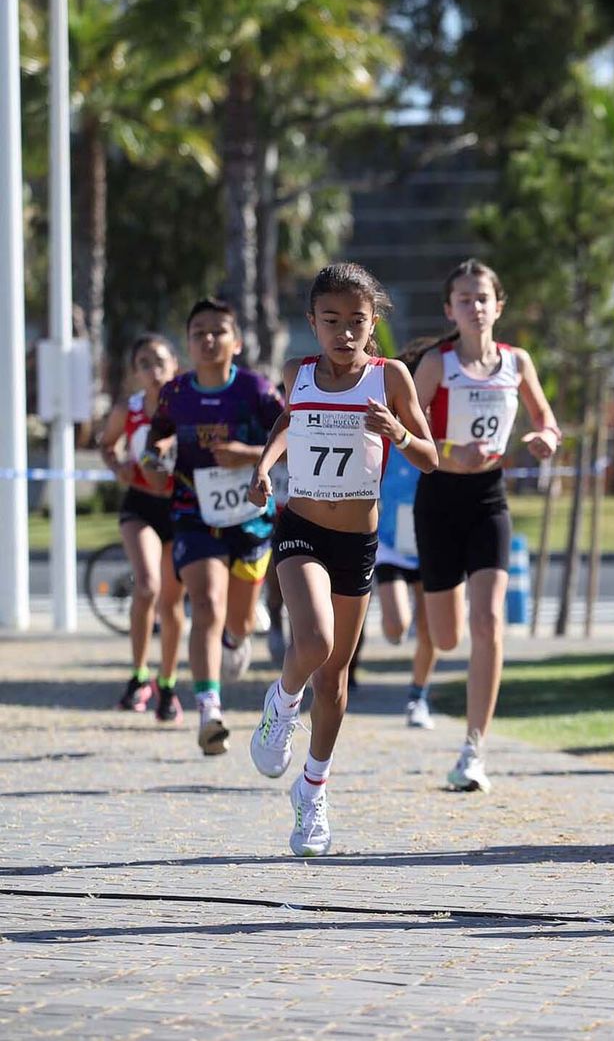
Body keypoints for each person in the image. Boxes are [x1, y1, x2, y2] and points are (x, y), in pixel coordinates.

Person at [245, 263, 438, 856]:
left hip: (357, 542)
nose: (344, 333)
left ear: (373, 322)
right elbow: (288, 422)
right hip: (301, 527)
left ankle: (312, 790)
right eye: (331, 321)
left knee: (334, 680)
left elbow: (430, 456)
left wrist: (397, 432)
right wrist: (264, 465)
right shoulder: (297, 373)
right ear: (312, 322)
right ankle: (281, 705)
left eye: (357, 321)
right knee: (314, 642)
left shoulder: (390, 376)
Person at [412, 259, 561, 791]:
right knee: (447, 635)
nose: (475, 307)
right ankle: (434, 641)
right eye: (464, 299)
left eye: (483, 298)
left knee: (489, 622)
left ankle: (474, 749)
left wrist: (546, 438)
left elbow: (545, 419)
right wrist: (452, 449)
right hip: (438, 500)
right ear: (449, 310)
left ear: (498, 306)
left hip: (488, 500)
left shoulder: (517, 362)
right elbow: (405, 432)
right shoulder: (437, 364)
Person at [141, 299, 283, 755]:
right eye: (198, 331)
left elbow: (289, 437)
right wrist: (156, 454)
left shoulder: (255, 389)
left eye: (218, 331)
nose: (208, 339)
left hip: (250, 517)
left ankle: (237, 638)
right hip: (193, 512)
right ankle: (209, 712)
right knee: (205, 604)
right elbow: (158, 433)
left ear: (235, 342)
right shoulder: (176, 393)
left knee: (238, 620)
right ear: (188, 342)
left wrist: (248, 455)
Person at [98, 334, 186, 718]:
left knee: (171, 600)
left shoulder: (188, 406)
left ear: (175, 366)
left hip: (180, 508)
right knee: (147, 585)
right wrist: (117, 466)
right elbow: (107, 444)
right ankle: (138, 675)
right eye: (145, 364)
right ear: (135, 373)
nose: (154, 371)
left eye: (160, 362)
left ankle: (167, 684)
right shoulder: (128, 410)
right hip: (140, 505)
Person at [373, 392, 438, 729]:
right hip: (391, 545)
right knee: (397, 624)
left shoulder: (439, 444)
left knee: (430, 629)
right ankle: (396, 626)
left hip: (431, 544)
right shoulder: (386, 441)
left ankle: (418, 696)